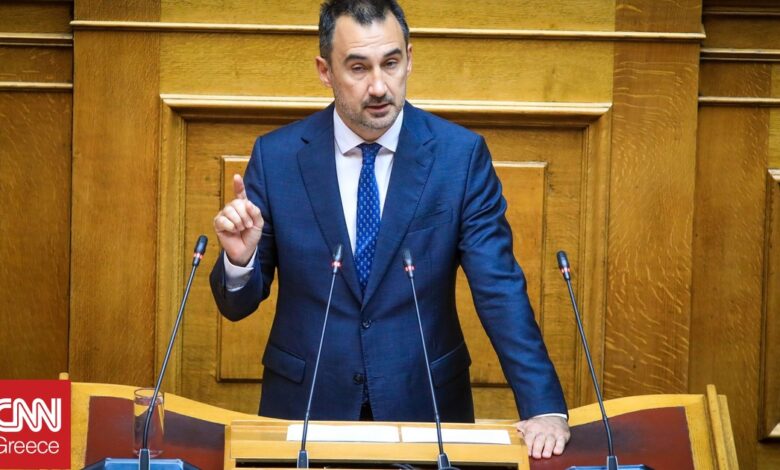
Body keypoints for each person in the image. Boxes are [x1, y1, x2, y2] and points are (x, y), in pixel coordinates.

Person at [211, 0, 570, 459]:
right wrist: (239, 261)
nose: (379, 86)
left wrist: (543, 406)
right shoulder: (277, 157)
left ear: (409, 59)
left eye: (391, 63)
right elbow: (236, 306)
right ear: (325, 71)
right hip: (306, 409)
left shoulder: (459, 157)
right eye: (358, 68)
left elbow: (498, 288)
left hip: (425, 406)